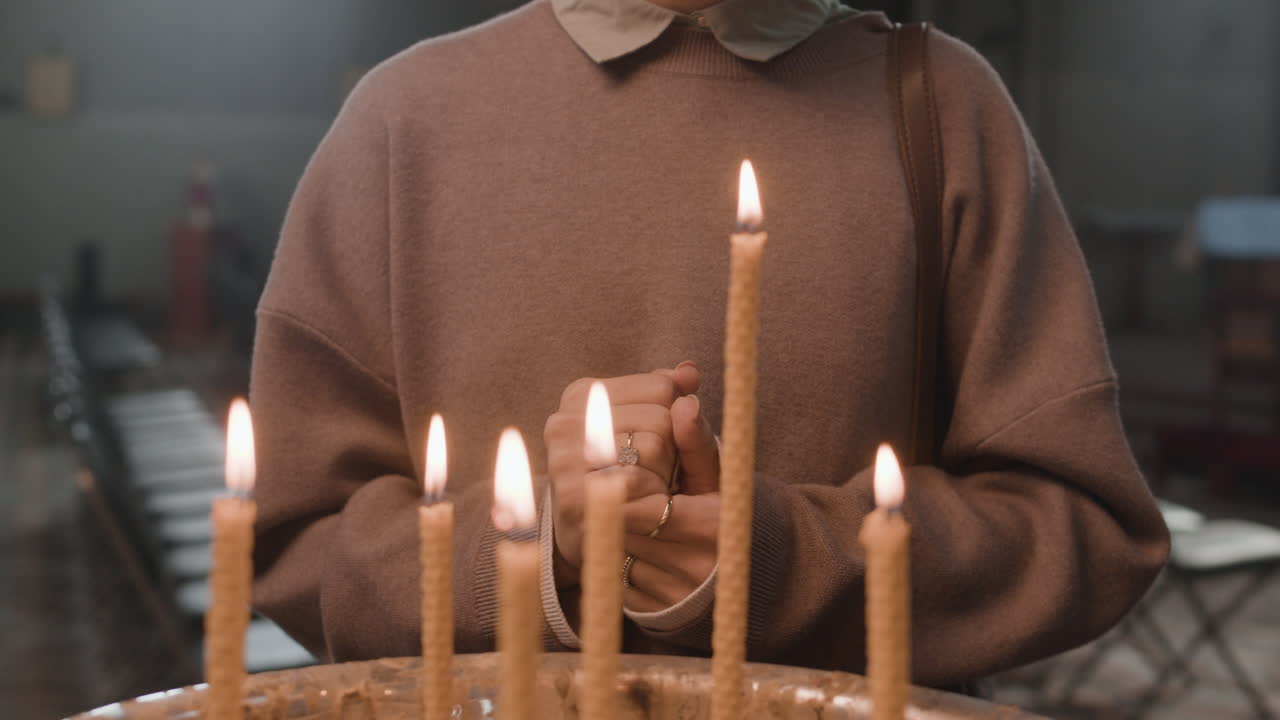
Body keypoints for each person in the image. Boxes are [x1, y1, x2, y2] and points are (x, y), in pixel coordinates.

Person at [249, 0, 1170, 689]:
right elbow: (292, 540)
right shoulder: (404, 121)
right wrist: (538, 557)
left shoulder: (940, 107)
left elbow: (1086, 525)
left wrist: (781, 562)